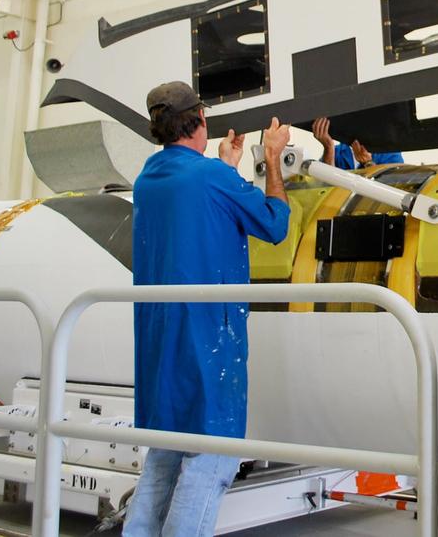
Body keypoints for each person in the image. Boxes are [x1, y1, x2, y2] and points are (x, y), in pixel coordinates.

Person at [125, 81, 291, 536]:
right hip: (207, 340)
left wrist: (226, 167)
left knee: (164, 455)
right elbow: (275, 225)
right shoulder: (211, 178)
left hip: (159, 340)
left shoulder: (149, 178)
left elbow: (194, 212)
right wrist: (273, 159)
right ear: (199, 120)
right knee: (210, 457)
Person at [312, 117, 404, 169]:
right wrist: (328, 147)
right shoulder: (336, 153)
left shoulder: (390, 153)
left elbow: (393, 191)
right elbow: (325, 186)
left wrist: (368, 163)